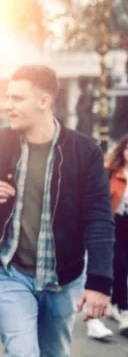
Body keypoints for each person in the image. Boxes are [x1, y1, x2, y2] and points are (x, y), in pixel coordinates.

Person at [0, 65, 115, 356]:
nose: (9, 105)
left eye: (17, 99)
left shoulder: (85, 152)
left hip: (64, 277)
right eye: (8, 97)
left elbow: (99, 219)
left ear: (43, 101)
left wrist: (99, 282)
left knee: (54, 352)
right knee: (22, 352)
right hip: (10, 270)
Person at [86, 135, 128, 339]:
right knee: (120, 266)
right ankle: (122, 312)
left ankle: (116, 307)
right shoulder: (111, 171)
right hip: (112, 226)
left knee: (122, 270)